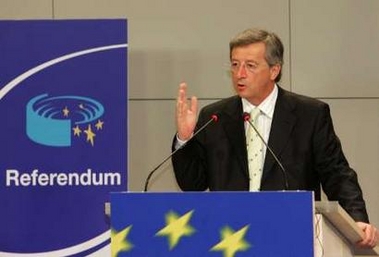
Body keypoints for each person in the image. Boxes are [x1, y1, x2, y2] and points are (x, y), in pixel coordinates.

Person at [172, 27, 378, 248]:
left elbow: (337, 174)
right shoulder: (215, 117)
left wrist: (357, 219)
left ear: (274, 70)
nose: (239, 74)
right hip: (229, 237)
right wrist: (184, 139)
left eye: (250, 66)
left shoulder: (309, 114)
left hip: (290, 233)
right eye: (234, 64)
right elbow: (192, 184)